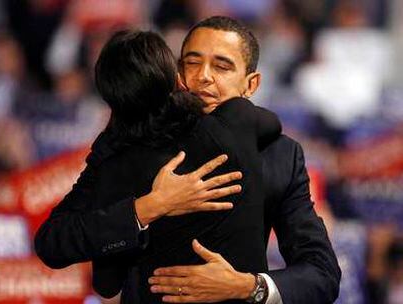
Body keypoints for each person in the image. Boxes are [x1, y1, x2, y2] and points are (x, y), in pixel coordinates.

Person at [36, 16, 341, 304]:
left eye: (221, 67)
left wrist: (248, 286)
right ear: (176, 75)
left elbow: (322, 274)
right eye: (192, 63)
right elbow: (54, 241)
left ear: (251, 84)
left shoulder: (279, 155)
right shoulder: (127, 139)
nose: (203, 76)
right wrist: (148, 208)